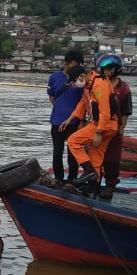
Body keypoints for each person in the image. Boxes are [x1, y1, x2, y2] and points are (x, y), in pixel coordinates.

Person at [60, 62, 119, 196]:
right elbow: (83, 103)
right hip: (107, 125)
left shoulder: (99, 85)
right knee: (95, 156)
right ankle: (94, 187)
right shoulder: (89, 85)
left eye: (75, 81)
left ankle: (88, 170)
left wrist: (99, 132)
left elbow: (105, 111)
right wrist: (70, 119)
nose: (75, 84)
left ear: (82, 75)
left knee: (73, 141)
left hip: (104, 125)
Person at [98, 55, 133, 200]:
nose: (106, 72)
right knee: (95, 157)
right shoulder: (98, 84)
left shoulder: (123, 89)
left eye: (109, 69)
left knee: (112, 159)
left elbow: (125, 111)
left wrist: (121, 128)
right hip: (98, 127)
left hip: (114, 128)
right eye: (104, 69)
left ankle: (110, 185)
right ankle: (94, 182)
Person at [47, 48, 84, 184]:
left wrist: (80, 120)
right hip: (57, 121)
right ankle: (58, 178)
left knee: (73, 153)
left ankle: (71, 179)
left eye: (79, 66)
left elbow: (84, 101)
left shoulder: (81, 81)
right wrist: (60, 109)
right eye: (74, 65)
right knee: (57, 152)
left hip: (74, 123)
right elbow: (51, 97)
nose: (77, 68)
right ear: (66, 63)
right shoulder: (54, 77)